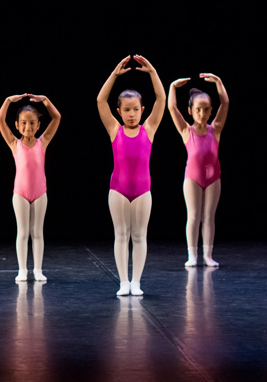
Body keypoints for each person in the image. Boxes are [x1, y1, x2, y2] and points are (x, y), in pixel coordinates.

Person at [97, 55, 166, 297]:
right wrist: (114, 75)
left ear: (142, 110)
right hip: (117, 190)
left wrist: (153, 72)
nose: (131, 114)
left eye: (136, 109)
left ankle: (136, 282)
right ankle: (123, 282)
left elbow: (162, 98)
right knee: (121, 235)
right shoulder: (115, 130)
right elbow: (100, 99)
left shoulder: (149, 129)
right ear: (119, 111)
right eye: (126, 110)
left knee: (139, 236)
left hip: (143, 192)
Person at [0, 94, 60, 282]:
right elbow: (0, 119)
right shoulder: (14, 143)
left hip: (40, 193)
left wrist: (46, 100)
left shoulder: (43, 142)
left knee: (37, 232)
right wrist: (7, 101)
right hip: (20, 194)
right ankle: (22, 269)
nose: (28, 127)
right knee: (23, 232)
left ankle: (38, 269)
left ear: (38, 125)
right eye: (23, 123)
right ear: (16, 125)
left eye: (32, 123)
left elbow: (57, 118)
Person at [167, 74, 229, 267]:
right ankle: (192, 256)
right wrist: (172, 87)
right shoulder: (186, 131)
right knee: (193, 216)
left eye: (205, 109)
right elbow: (171, 107)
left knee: (209, 217)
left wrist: (219, 82)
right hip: (192, 179)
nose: (202, 113)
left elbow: (225, 103)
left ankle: (208, 256)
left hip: (213, 178)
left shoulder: (216, 129)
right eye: (198, 110)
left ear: (211, 110)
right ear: (190, 111)